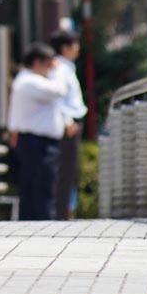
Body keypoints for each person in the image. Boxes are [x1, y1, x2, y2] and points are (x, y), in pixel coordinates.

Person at [6, 43, 72, 221]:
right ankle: (43, 224)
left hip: (34, 142)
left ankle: (33, 223)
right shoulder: (29, 81)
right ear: (37, 62)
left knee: (32, 187)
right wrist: (59, 71)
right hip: (37, 143)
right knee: (42, 187)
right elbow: (60, 90)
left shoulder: (27, 81)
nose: (51, 67)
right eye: (49, 63)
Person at [49, 30, 88, 220]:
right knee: (65, 170)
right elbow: (57, 97)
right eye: (75, 44)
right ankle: (61, 213)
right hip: (68, 124)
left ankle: (62, 211)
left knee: (67, 170)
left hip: (70, 122)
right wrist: (67, 121)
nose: (78, 48)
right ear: (65, 48)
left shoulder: (66, 67)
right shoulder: (60, 68)